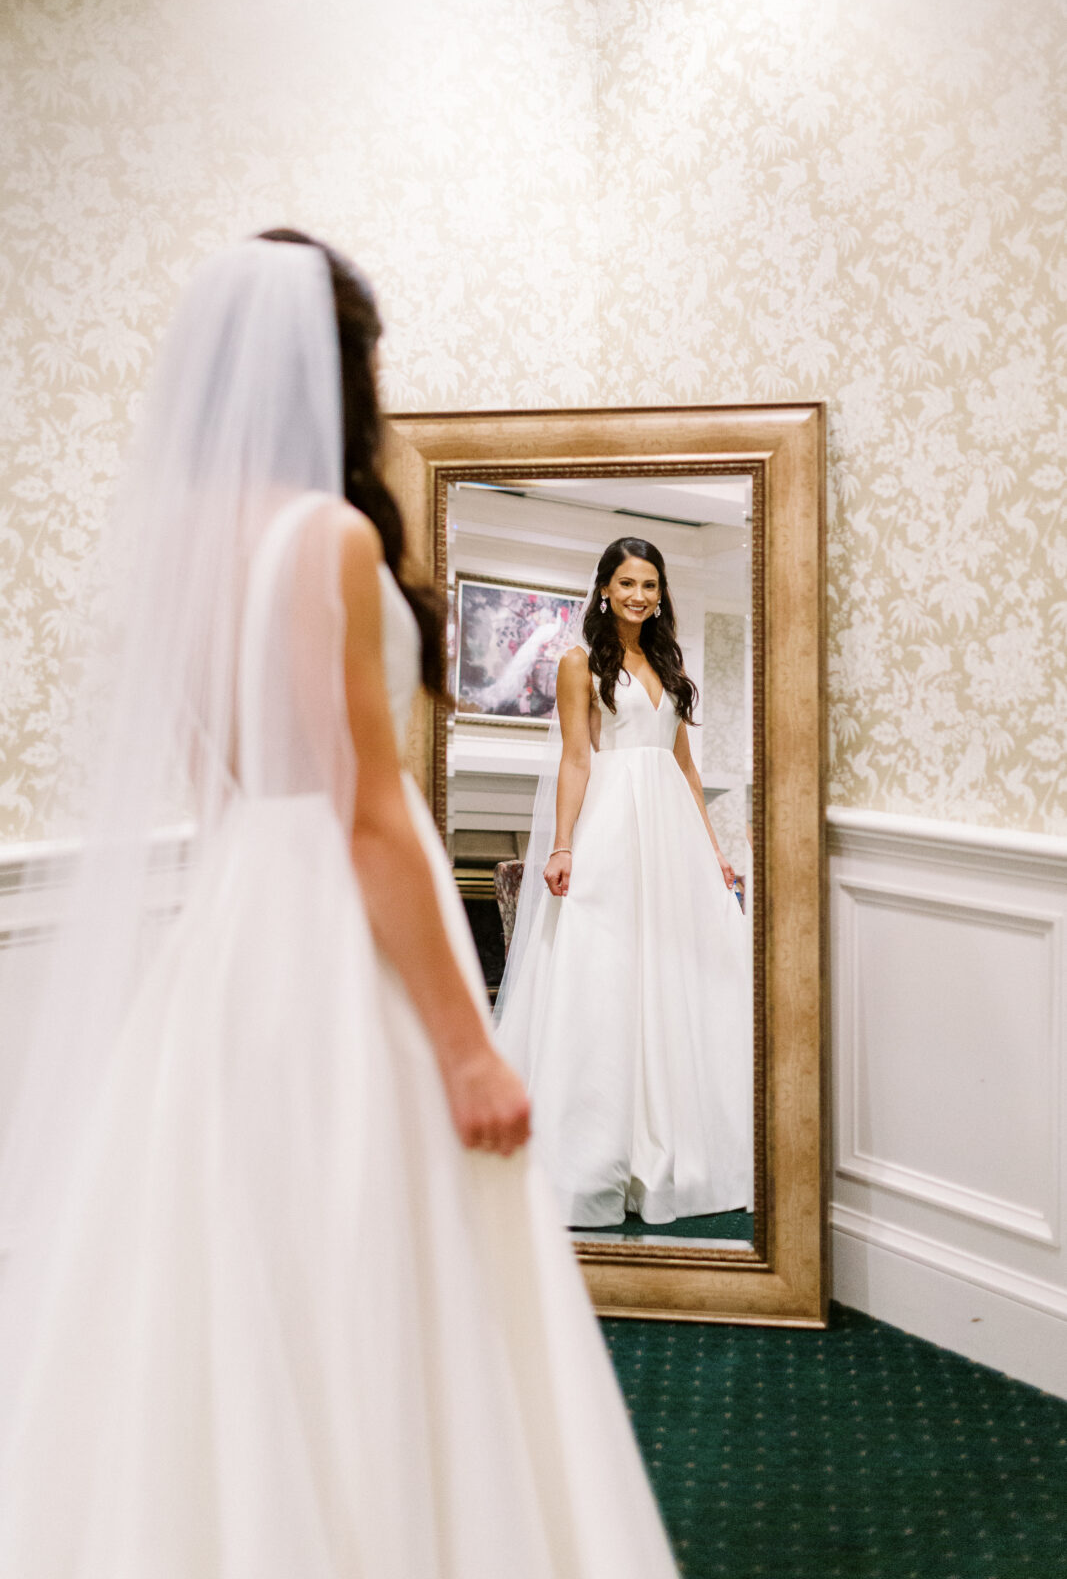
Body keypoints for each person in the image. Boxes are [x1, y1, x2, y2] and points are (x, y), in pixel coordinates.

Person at [0, 235, 679, 1577]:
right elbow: (368, 814)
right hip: (334, 912)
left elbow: (220, 778)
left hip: (234, 924)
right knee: (379, 1245)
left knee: (245, 1245)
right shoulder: (325, 535)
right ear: (341, 368)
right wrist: (469, 1044)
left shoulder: (181, 551)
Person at [495, 538, 753, 1229]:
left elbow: (687, 770)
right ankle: (592, 1153)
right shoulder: (579, 663)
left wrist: (715, 854)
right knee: (604, 972)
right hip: (612, 828)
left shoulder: (668, 663)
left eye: (649, 583)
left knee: (693, 971)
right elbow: (576, 760)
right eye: (626, 582)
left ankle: (688, 1145)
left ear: (660, 593)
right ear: (603, 589)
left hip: (672, 832)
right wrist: (560, 844)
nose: (638, 594)